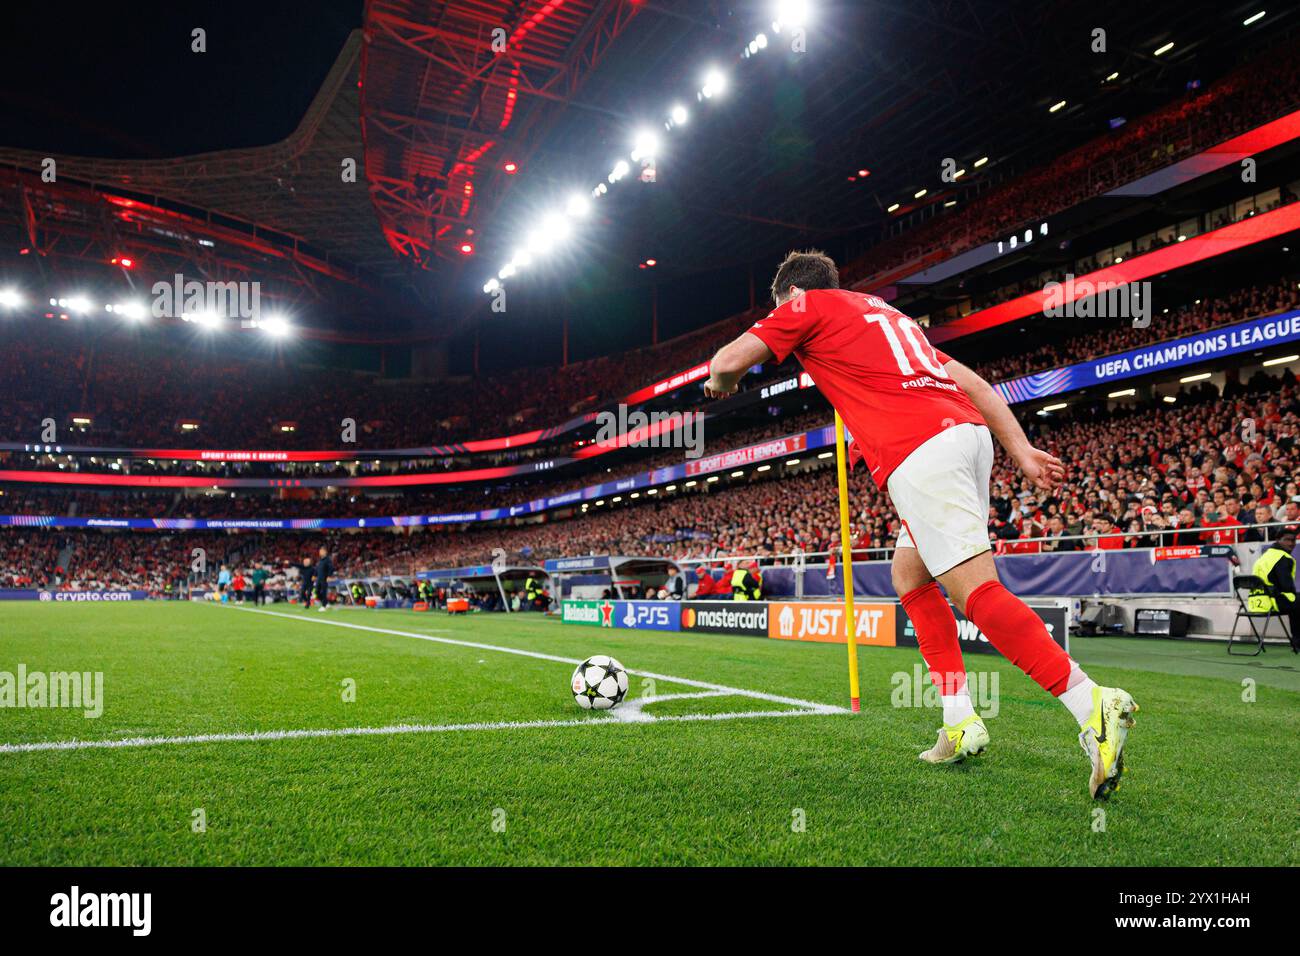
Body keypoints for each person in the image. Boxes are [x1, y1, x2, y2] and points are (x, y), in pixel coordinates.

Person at [702, 249, 1138, 799]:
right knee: (909, 576)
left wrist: (721, 385)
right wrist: (1020, 448)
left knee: (975, 591)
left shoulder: (804, 304)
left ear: (790, 295)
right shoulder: (888, 316)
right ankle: (960, 720)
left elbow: (726, 362)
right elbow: (975, 385)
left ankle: (1091, 703)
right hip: (967, 436)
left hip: (921, 448)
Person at [1247, 530, 1300, 653]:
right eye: (1287, 540)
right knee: (1297, 602)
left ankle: (1297, 641)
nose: (1291, 543)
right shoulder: (1284, 558)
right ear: (1278, 540)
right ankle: (1297, 642)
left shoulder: (1265, 556)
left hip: (1254, 603)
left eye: (1293, 540)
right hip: (1270, 602)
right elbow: (1287, 587)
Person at [314, 547, 332, 612]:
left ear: (325, 552)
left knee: (324, 592)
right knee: (317, 591)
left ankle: (324, 606)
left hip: (324, 578)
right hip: (319, 578)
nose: (320, 553)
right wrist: (314, 575)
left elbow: (330, 568)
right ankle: (326, 603)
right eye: (319, 551)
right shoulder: (320, 560)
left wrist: (329, 576)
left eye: (321, 551)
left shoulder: (328, 560)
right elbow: (317, 568)